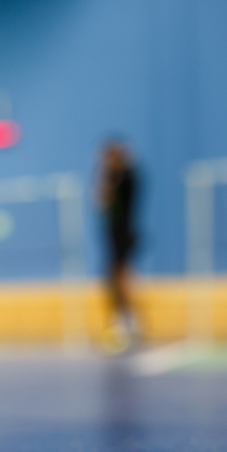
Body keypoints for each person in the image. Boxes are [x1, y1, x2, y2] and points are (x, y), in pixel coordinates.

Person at [97, 139, 141, 349]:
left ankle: (129, 323)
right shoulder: (113, 175)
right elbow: (100, 202)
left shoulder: (127, 177)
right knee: (113, 278)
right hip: (113, 233)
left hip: (123, 232)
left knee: (121, 276)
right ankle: (122, 322)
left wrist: (108, 175)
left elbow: (103, 199)